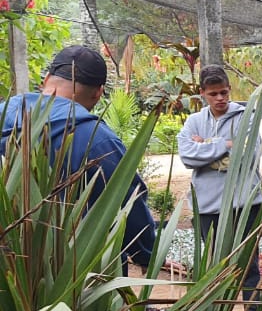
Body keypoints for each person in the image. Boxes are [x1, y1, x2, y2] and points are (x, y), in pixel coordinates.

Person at [0, 44, 155, 269]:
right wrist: (146, 255)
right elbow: (127, 205)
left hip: (8, 273)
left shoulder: (5, 116)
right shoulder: (97, 140)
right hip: (78, 275)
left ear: (47, 79)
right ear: (98, 93)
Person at [177, 65, 262, 311]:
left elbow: (246, 157)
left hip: (244, 203)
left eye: (224, 92)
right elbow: (187, 156)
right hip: (207, 205)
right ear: (202, 93)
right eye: (213, 94)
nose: (220, 99)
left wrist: (204, 148)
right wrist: (225, 145)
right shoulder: (194, 121)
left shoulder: (246, 117)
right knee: (216, 261)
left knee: (249, 261)